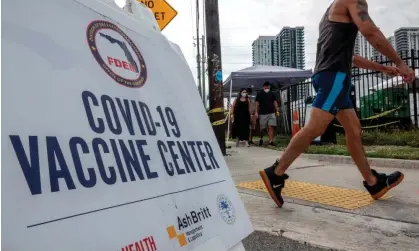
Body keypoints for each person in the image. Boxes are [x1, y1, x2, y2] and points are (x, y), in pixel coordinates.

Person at [259, 0, 416, 208]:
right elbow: (370, 32)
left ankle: (373, 183)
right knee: (315, 128)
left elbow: (351, 58)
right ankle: (276, 172)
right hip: (334, 77)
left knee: (353, 130)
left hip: (331, 77)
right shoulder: (352, 1)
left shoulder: (331, 11)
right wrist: (400, 63)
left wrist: (383, 68)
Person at [255, 81, 280, 146]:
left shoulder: (272, 94)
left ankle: (270, 141)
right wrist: (256, 112)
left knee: (271, 126)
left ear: (269, 87)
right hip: (262, 114)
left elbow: (275, 102)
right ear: (263, 87)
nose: (267, 88)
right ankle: (261, 138)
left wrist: (277, 110)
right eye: (265, 86)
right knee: (263, 128)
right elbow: (257, 103)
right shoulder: (259, 94)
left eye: (268, 86)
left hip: (271, 113)